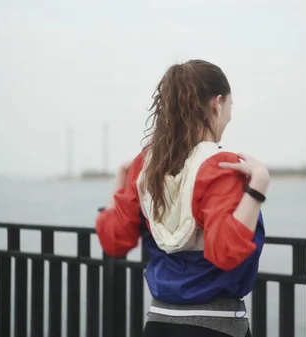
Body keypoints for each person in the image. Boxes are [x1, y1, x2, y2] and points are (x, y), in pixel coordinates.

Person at [95, 59, 269, 337]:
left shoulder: (147, 165)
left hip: (159, 321)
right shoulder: (221, 166)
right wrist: (258, 187)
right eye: (230, 107)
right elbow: (225, 252)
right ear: (218, 103)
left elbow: (114, 240)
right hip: (215, 326)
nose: (229, 116)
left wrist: (121, 183)